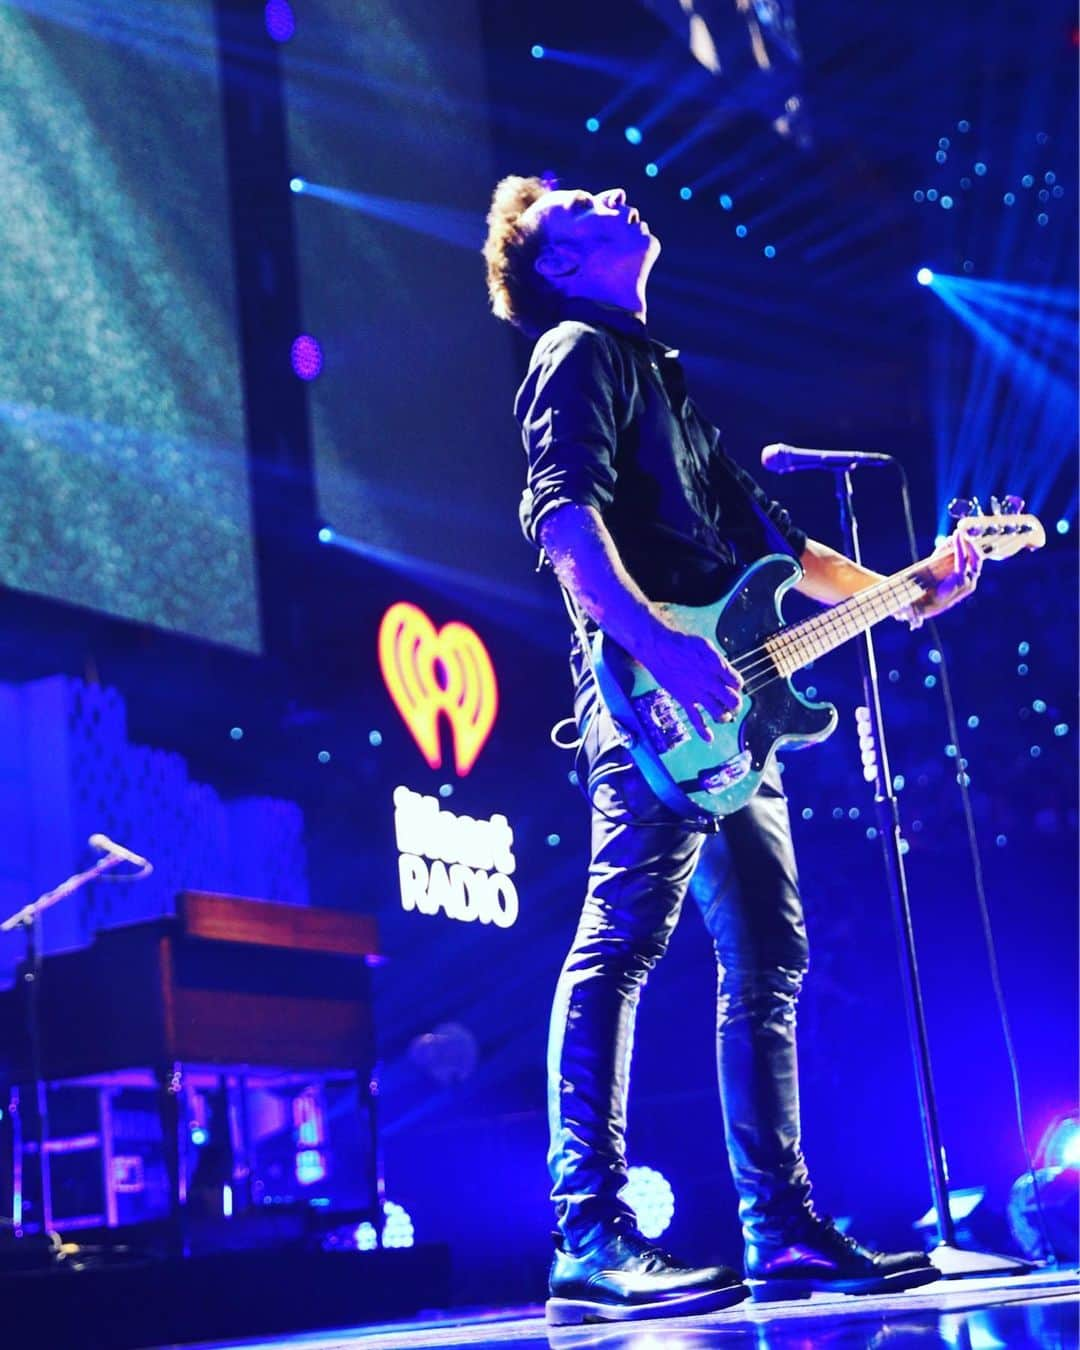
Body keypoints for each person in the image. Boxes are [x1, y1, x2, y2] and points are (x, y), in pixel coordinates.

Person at [482, 176, 982, 1325]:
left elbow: (783, 547)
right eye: (578, 205)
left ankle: (782, 1228)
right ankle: (589, 1231)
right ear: (557, 266)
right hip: (653, 703)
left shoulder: (662, 375)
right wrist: (657, 645)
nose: (613, 191)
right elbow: (563, 519)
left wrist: (911, 592)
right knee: (621, 944)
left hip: (736, 717)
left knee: (770, 957)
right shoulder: (575, 348)